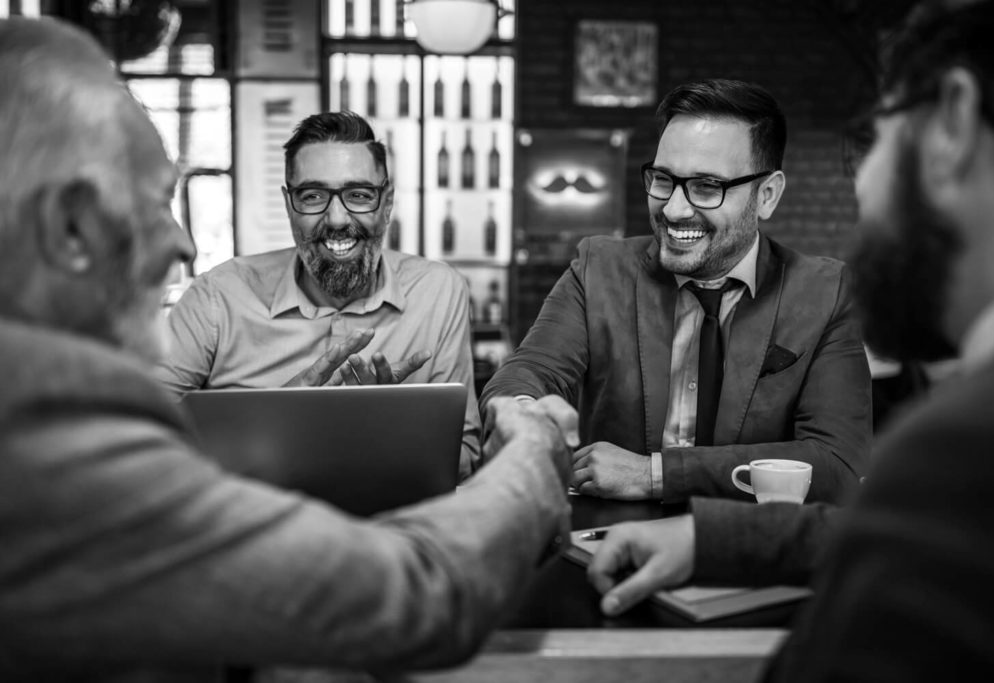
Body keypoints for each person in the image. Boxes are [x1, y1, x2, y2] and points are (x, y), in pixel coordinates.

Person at [0, 17, 578, 681]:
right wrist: (534, 454)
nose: (184, 243)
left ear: (386, 203)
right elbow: (416, 598)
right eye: (158, 202)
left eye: (359, 194)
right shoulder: (49, 421)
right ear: (68, 227)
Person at [591, 0, 994, 677]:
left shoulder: (974, 442)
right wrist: (708, 538)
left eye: (872, 138)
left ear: (954, 125)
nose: (862, 186)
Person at [482, 78, 872, 504]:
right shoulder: (598, 268)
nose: (673, 209)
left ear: (767, 196)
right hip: (607, 546)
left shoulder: (826, 292)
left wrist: (656, 474)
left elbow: (837, 463)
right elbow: (530, 370)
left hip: (750, 553)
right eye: (664, 179)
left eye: (707, 187)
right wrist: (517, 410)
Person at [156, 111, 482, 479]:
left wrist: (384, 435)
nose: (338, 219)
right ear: (289, 205)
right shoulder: (218, 297)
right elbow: (134, 434)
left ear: (387, 203)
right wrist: (278, 424)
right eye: (313, 196)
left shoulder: (438, 292)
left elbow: (465, 453)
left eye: (359, 195)